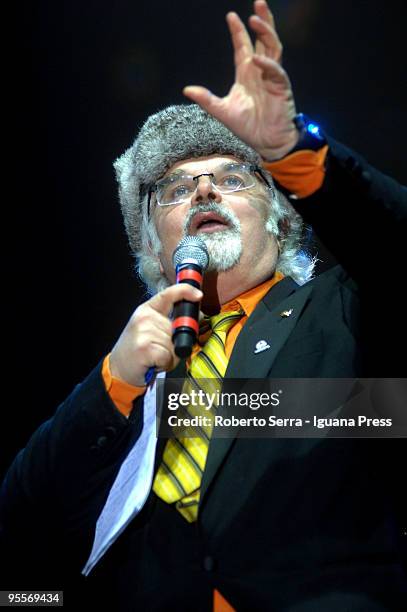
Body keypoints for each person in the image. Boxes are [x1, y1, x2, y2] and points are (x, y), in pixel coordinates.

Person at [1, 1, 406, 610]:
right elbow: (23, 527)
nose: (204, 190)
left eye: (234, 178)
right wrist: (111, 385)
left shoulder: (344, 313)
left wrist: (291, 152)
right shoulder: (129, 378)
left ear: (279, 221)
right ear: (153, 245)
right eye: (174, 188)